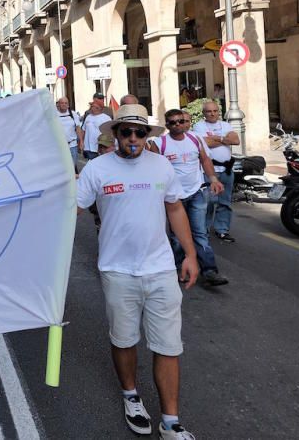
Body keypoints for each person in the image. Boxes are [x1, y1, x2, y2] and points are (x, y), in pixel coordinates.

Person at [75, 105, 200, 440]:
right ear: (115, 134)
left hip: (160, 268)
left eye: (140, 132)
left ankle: (171, 421)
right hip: (117, 271)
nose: (133, 138)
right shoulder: (97, 169)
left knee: (168, 345)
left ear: (148, 135)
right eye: (126, 132)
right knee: (124, 339)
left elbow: (174, 207)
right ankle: (131, 395)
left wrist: (190, 254)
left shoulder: (161, 166)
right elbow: (72, 209)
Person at [155, 110, 229, 287]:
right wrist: (158, 192)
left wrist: (213, 179)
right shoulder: (161, 143)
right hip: (174, 197)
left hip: (196, 192)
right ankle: (180, 268)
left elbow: (205, 160)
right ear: (167, 125)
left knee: (200, 232)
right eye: (173, 122)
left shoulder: (195, 139)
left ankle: (209, 270)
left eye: (181, 121)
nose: (178, 125)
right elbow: (154, 169)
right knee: (177, 236)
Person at [192, 100, 240, 242]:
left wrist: (217, 138)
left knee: (225, 202)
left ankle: (222, 230)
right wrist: (225, 139)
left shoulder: (226, 124)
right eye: (208, 111)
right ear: (204, 113)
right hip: (209, 170)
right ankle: (203, 230)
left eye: (215, 111)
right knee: (208, 202)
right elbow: (204, 143)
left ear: (218, 112)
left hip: (226, 170)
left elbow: (236, 140)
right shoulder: (199, 126)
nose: (212, 114)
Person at [79, 96, 112, 160]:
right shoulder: (88, 116)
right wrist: (81, 142)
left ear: (98, 108)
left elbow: (110, 133)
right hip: (88, 148)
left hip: (100, 148)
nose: (90, 108)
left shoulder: (106, 118)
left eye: (92, 106)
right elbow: (83, 130)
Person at [55, 97, 83, 172]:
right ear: (58, 104)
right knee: (61, 166)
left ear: (68, 105)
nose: (64, 105)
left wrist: (81, 141)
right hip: (59, 146)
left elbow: (78, 128)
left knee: (72, 166)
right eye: (62, 103)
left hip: (72, 145)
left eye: (66, 103)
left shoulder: (73, 114)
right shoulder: (54, 114)